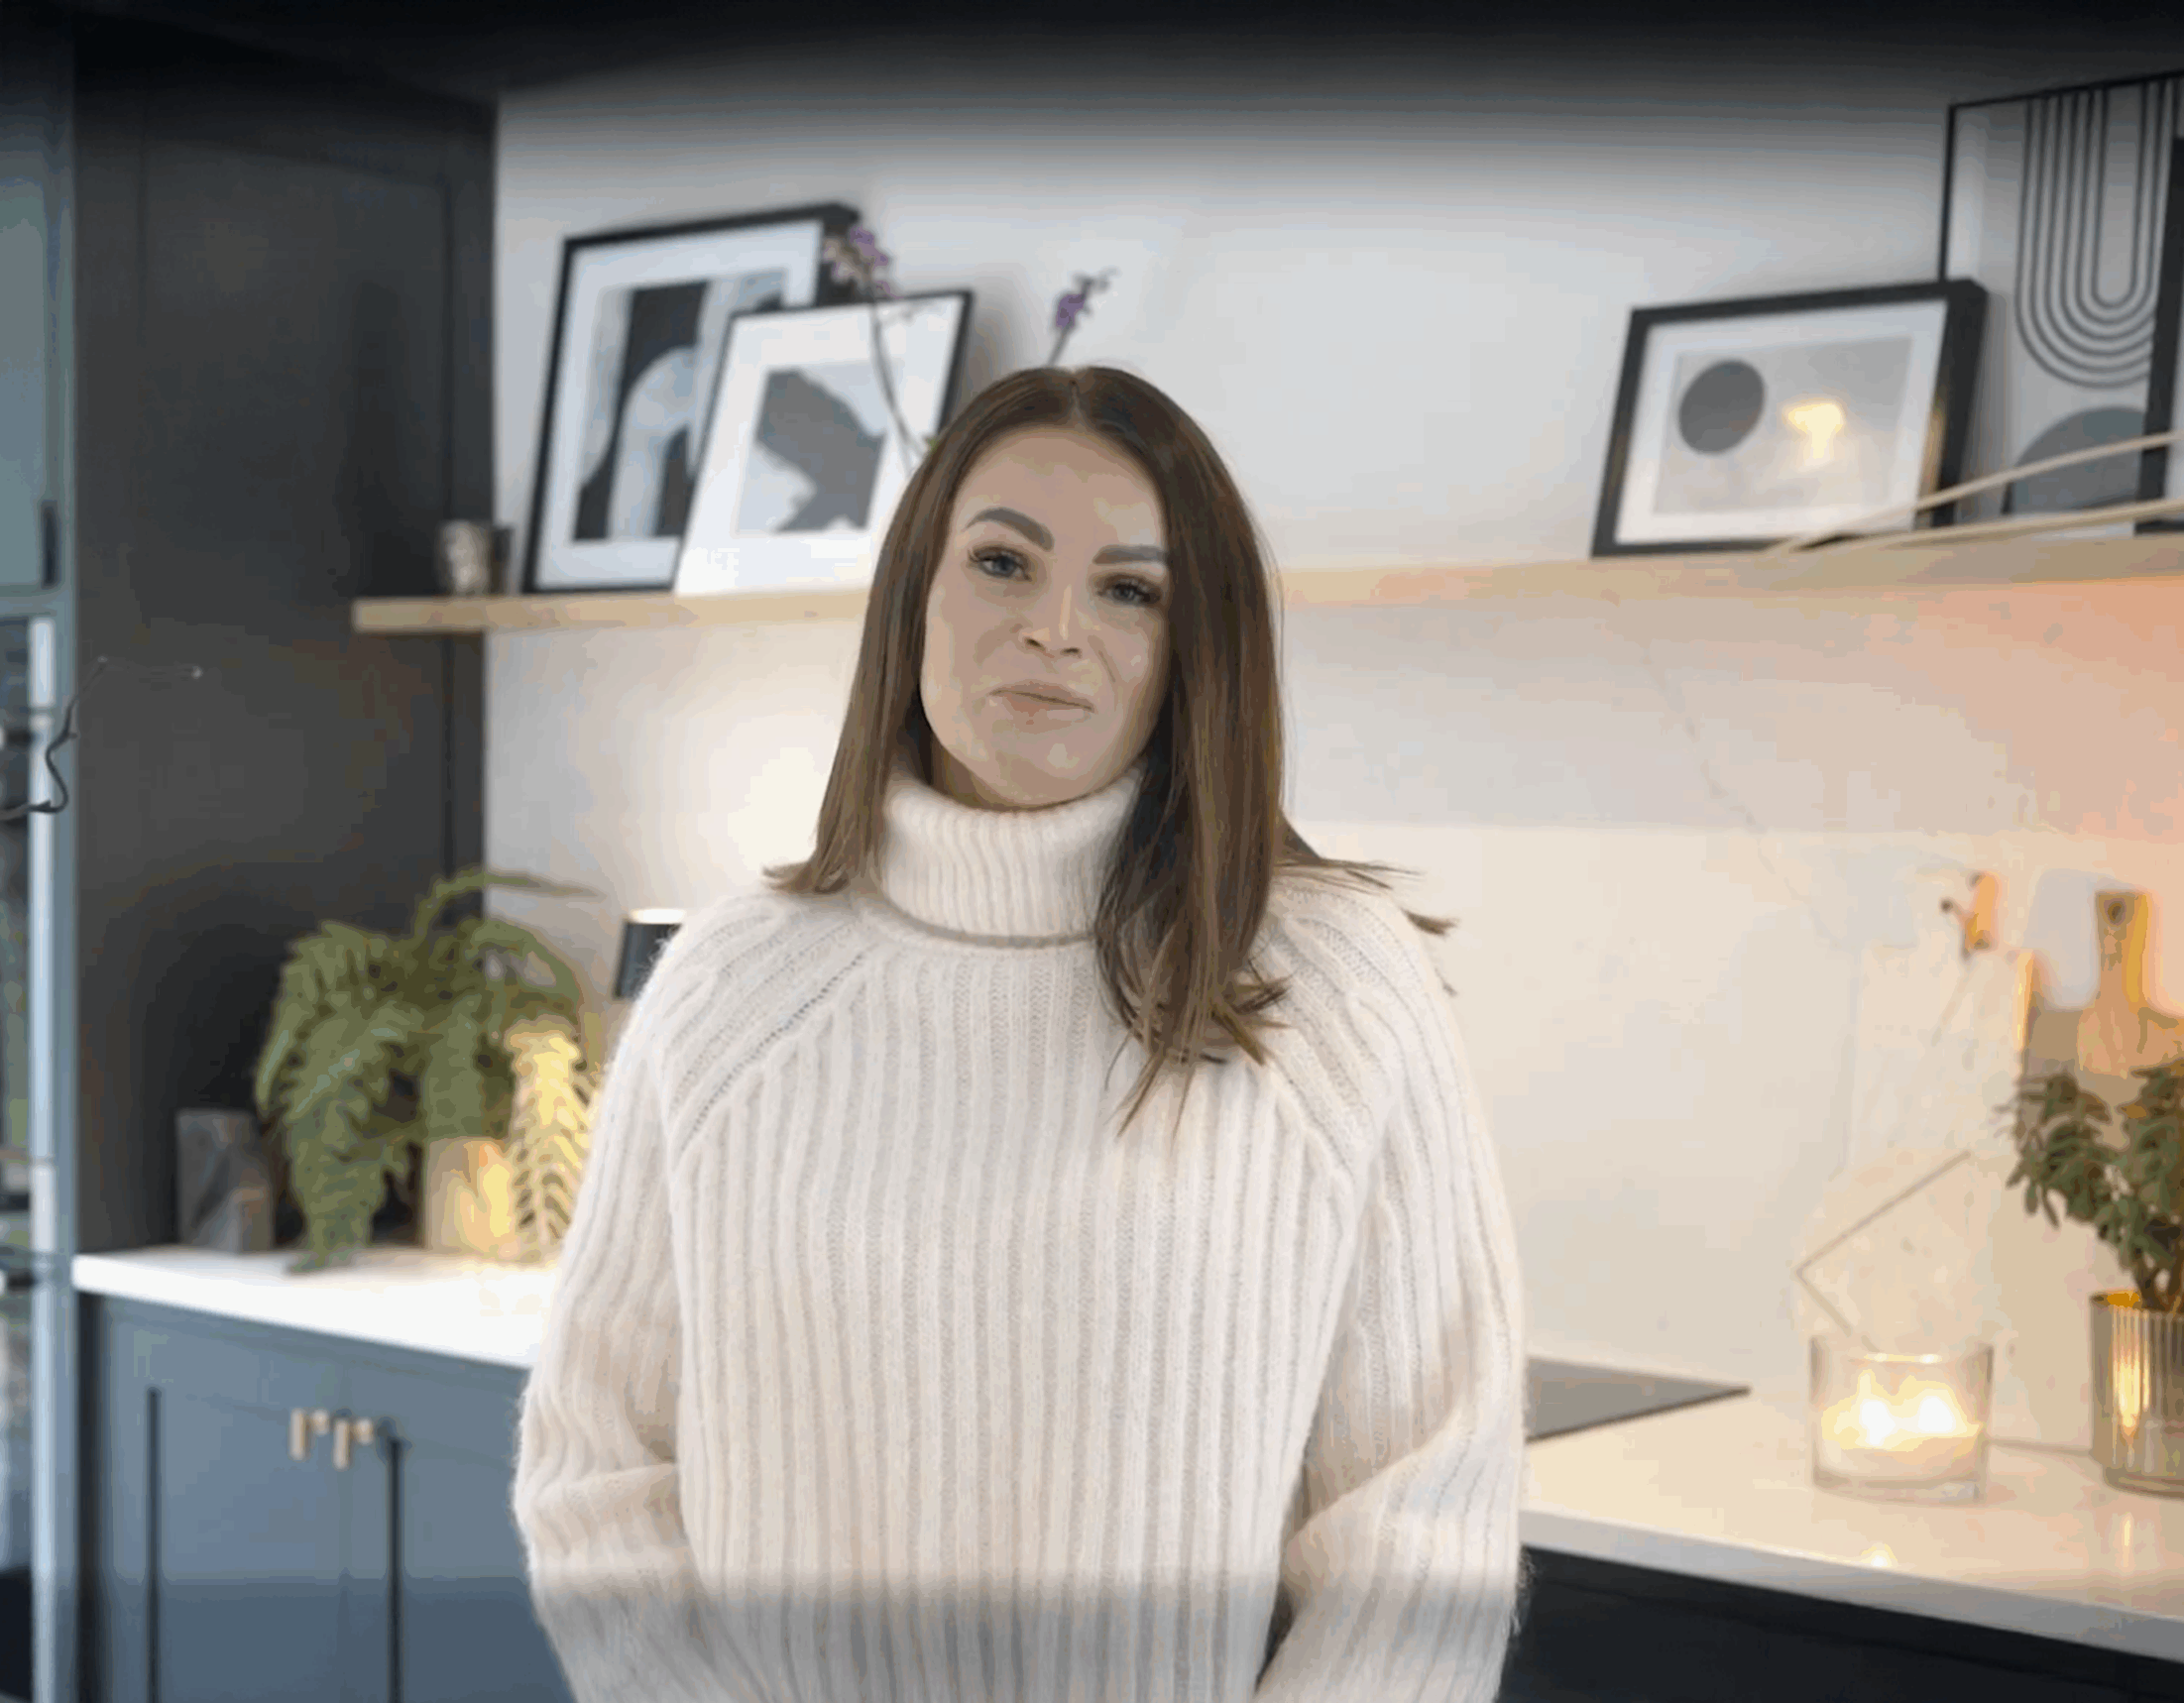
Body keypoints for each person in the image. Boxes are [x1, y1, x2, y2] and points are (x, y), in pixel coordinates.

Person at [511, 364, 1532, 1702]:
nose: (1056, 630)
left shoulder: (1333, 986)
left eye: (1131, 590)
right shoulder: (725, 990)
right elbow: (597, 1467)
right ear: (915, 596)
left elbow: (1425, 1516)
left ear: (1194, 648)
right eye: (1004, 563)